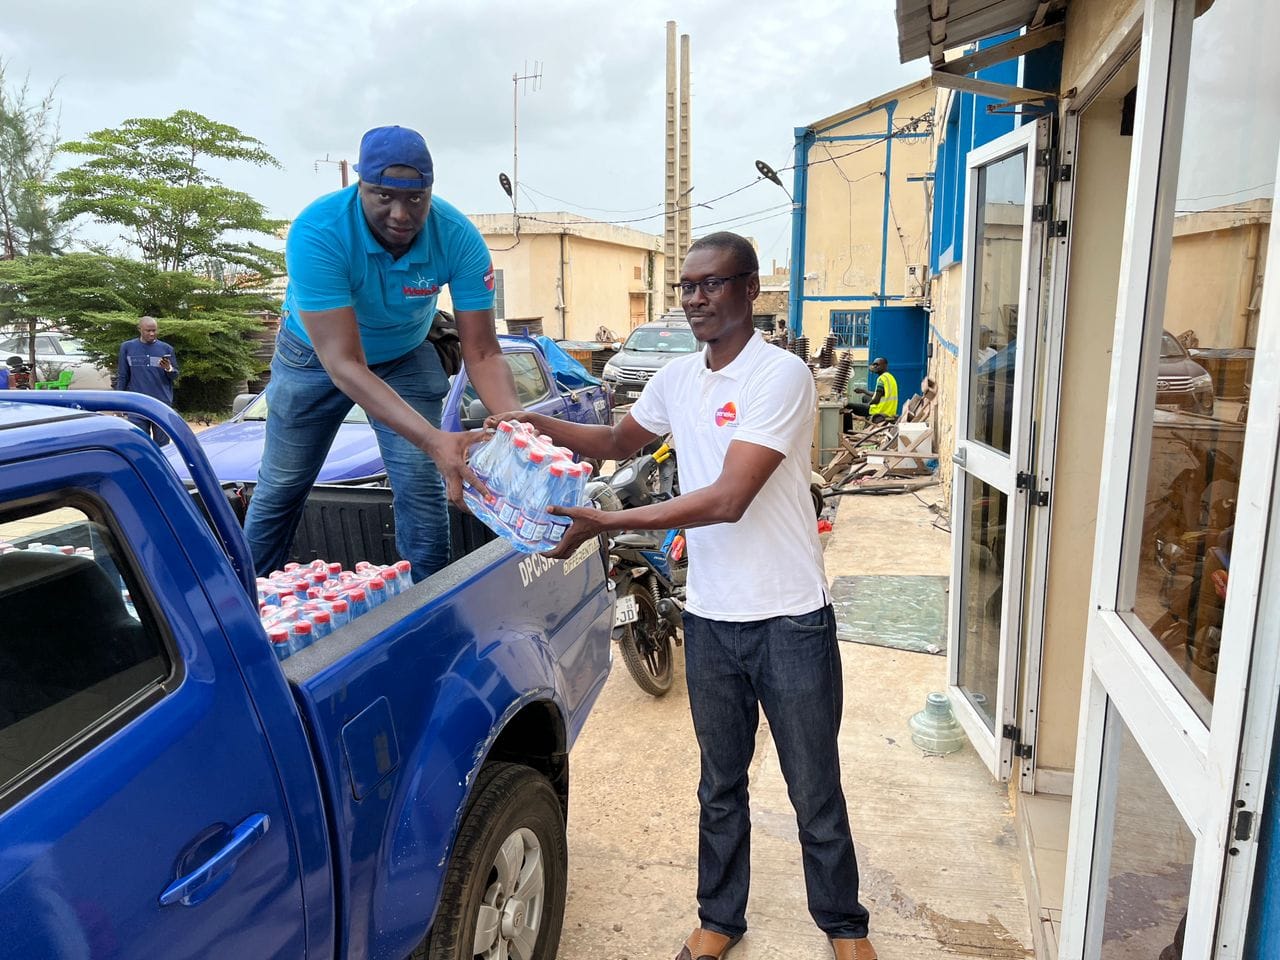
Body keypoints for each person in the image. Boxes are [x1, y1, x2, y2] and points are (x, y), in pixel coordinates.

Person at [489, 232, 876, 960]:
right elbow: (612, 444)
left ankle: (844, 927)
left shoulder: (780, 376)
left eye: (713, 284)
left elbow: (729, 498)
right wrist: (536, 423)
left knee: (813, 789)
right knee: (719, 786)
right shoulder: (676, 379)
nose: (697, 298)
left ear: (750, 289)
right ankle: (719, 919)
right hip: (712, 619)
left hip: (789, 617)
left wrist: (607, 522)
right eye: (687, 287)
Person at [242, 125, 519, 582]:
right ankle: (245, 610)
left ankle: (428, 606)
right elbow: (344, 363)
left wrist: (517, 423)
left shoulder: (458, 238)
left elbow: (485, 352)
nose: (400, 214)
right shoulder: (319, 232)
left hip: (403, 354)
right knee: (283, 485)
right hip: (315, 357)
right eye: (383, 195)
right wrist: (434, 438)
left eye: (415, 198)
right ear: (360, 185)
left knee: (423, 483)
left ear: (430, 191)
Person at [116, 315, 178, 445]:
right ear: (140, 329)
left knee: (163, 446)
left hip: (161, 404)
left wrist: (168, 369)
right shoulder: (127, 347)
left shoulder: (166, 349)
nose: (152, 333)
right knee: (141, 444)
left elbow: (174, 376)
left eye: (154, 330)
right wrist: (118, 403)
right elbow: (123, 376)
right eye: (148, 330)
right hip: (137, 404)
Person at [847, 356, 898, 420]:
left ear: (885, 366)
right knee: (865, 397)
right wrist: (863, 391)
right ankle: (868, 419)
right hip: (890, 410)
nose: (875, 366)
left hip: (880, 410)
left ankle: (847, 429)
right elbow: (880, 394)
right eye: (874, 364)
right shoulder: (890, 377)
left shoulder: (881, 379)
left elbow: (876, 400)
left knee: (848, 406)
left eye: (877, 365)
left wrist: (867, 405)